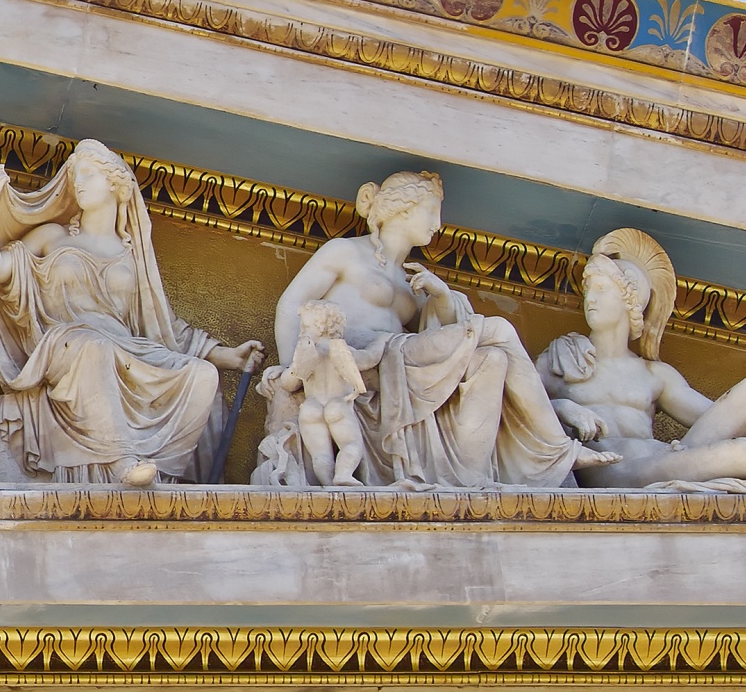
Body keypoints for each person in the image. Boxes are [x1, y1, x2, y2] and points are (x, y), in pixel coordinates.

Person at [259, 170, 607, 488]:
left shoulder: (413, 280)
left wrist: (441, 296)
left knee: (491, 359)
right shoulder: (345, 252)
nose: (438, 225)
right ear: (403, 209)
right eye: (431, 212)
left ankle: (470, 476)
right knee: (499, 329)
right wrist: (291, 365)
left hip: (396, 359)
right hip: (362, 354)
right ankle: (558, 447)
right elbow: (292, 304)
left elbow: (439, 337)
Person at [0, 140, 262, 485]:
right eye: (75, 176)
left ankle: (165, 477)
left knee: (202, 375)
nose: (78, 183)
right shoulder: (52, 236)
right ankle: (122, 463)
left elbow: (165, 327)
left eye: (88, 174)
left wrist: (228, 357)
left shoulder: (132, 258)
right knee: (95, 347)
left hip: (127, 350)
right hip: (69, 344)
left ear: (116, 184)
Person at [536, 227, 746, 488]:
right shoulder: (563, 357)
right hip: (613, 470)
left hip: (665, 459)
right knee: (740, 454)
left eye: (601, 288)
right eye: (588, 289)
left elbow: (715, 421)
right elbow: (517, 408)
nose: (590, 298)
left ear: (630, 300)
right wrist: (562, 407)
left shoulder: (655, 374)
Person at [282, 299, 368, 487]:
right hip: (337, 405)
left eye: (305, 327)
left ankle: (328, 486)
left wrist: (294, 368)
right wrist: (380, 345)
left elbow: (288, 383)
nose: (301, 332)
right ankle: (343, 475)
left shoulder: (306, 354)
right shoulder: (345, 352)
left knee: (320, 455)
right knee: (351, 445)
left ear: (322, 328)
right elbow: (367, 361)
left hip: (311, 407)